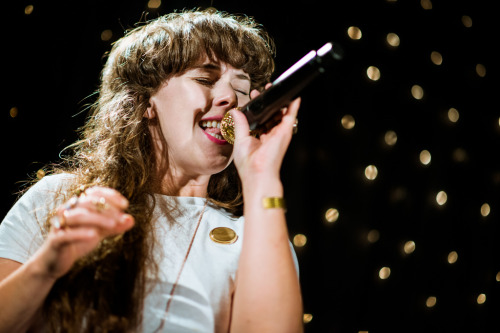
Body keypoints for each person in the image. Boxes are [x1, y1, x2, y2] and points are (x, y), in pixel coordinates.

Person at [0, 8, 303, 333]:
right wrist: (46, 266)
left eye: (242, 91)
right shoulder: (61, 199)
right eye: (205, 78)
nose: (230, 98)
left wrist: (262, 176)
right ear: (146, 101)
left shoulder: (255, 236)